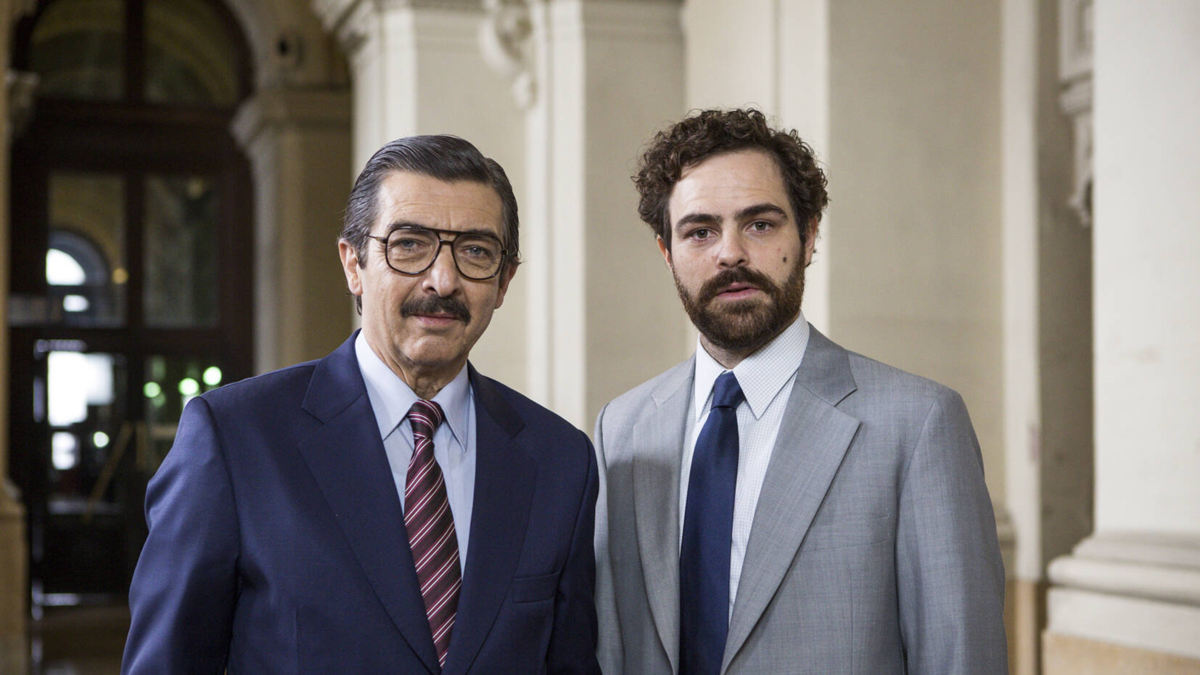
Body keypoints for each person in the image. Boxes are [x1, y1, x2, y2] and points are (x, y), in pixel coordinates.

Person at [122, 135, 600, 675]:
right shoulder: (234, 439)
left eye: (475, 252)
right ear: (354, 264)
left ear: (504, 281)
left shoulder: (561, 460)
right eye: (409, 244)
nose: (443, 281)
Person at [593, 109, 1007, 675]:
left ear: (809, 236)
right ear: (668, 252)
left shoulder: (918, 424)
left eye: (760, 224)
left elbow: (959, 657)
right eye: (700, 231)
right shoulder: (621, 429)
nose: (730, 253)